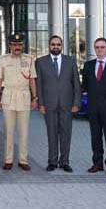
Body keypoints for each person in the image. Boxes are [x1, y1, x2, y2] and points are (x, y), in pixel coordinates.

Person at [36, 35, 81, 173]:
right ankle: (52, 162)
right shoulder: (41, 62)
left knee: (66, 134)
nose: (56, 47)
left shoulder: (70, 61)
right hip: (49, 105)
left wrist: (76, 103)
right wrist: (41, 104)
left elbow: (76, 84)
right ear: (49, 46)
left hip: (67, 105)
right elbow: (39, 85)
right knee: (51, 134)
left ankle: (65, 162)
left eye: (58, 44)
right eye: (53, 44)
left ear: (62, 46)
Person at [0, 33, 38, 171]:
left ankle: (23, 160)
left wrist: (35, 98)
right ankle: (8, 160)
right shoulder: (3, 59)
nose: (17, 47)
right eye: (14, 45)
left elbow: (32, 80)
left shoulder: (30, 59)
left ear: (23, 45)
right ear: (10, 46)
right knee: (8, 131)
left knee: (24, 131)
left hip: (24, 96)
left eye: (19, 45)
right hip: (8, 96)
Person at [82, 37, 106, 176]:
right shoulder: (88, 65)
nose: (100, 50)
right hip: (93, 108)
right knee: (95, 137)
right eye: (97, 47)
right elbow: (85, 86)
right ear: (94, 49)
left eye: (102, 47)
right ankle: (97, 163)